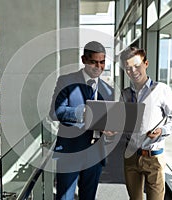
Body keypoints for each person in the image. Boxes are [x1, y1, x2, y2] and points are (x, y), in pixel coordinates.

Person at [49, 41, 114, 200]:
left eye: (102, 62)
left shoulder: (108, 90)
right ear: (84, 59)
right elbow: (55, 112)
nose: (98, 66)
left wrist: (111, 130)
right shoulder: (66, 81)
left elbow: (108, 121)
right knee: (65, 197)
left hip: (95, 153)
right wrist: (84, 113)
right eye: (93, 62)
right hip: (70, 151)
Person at [120, 46, 172, 200]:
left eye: (137, 66)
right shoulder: (125, 94)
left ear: (146, 64)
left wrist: (162, 130)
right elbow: (121, 123)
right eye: (128, 68)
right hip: (131, 156)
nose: (133, 71)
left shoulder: (161, 89)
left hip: (153, 157)